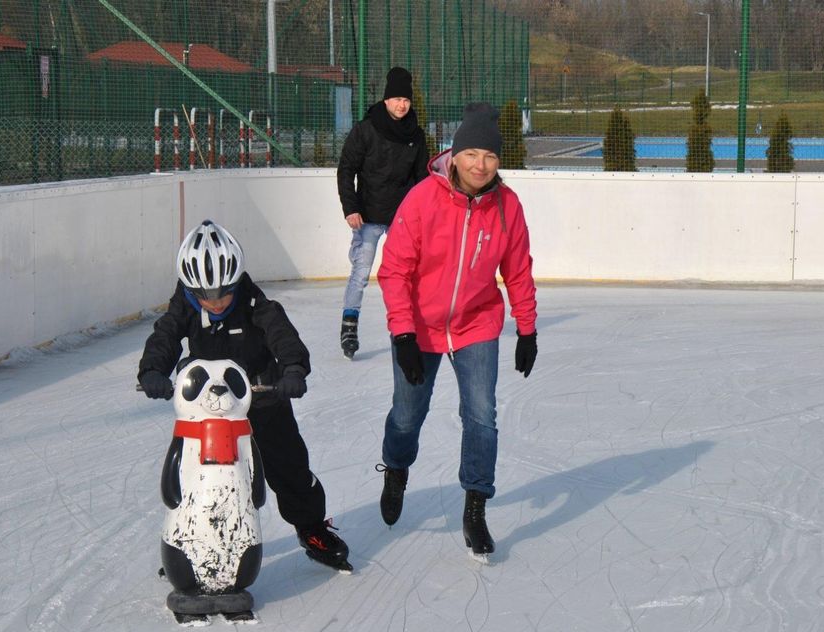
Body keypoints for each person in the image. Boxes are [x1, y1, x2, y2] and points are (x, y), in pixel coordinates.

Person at [138, 220, 351, 571]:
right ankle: (193, 542)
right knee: (193, 474)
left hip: (261, 398)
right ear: (191, 289)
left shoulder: (253, 300)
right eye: (205, 295)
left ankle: (312, 528)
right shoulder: (186, 303)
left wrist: (293, 369)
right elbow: (165, 335)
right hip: (209, 407)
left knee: (288, 467)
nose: (216, 301)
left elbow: (281, 333)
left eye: (224, 292)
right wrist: (152, 371)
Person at [375, 102, 539, 559]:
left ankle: (474, 507)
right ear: (456, 152)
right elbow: (394, 271)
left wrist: (527, 329)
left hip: (476, 323)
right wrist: (403, 334)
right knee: (407, 416)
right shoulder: (424, 198)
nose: (480, 165)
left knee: (482, 416)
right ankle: (395, 468)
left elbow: (519, 271)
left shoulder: (506, 207)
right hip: (420, 326)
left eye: (490, 157)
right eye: (472, 155)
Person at [336, 67, 430, 359]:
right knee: (361, 271)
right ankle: (349, 325)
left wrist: (422, 217)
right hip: (368, 215)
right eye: (397, 98)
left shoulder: (415, 135)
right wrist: (351, 208)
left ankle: (414, 324)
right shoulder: (366, 130)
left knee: (411, 273)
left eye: (407, 99)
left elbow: (424, 180)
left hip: (403, 218)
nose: (402, 104)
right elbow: (346, 169)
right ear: (387, 99)